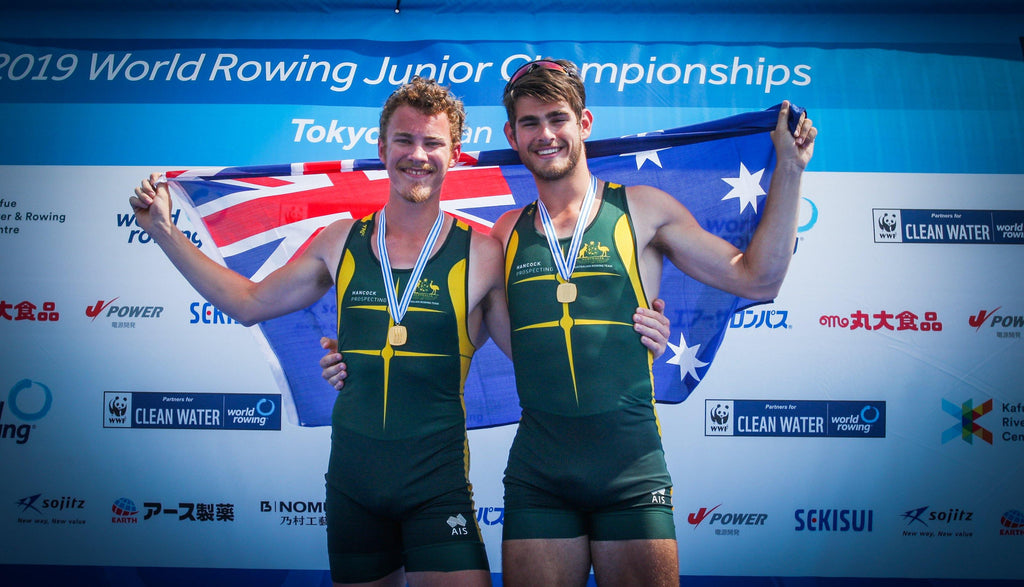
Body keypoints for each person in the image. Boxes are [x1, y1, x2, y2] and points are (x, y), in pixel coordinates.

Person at [133, 76, 670, 587]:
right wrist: (164, 231)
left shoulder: (484, 252)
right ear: (382, 147)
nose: (417, 154)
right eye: (404, 140)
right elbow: (248, 303)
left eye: (432, 143)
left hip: (437, 487)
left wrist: (640, 329)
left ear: (454, 154)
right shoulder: (339, 239)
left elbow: (541, 339)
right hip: (353, 486)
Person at [488, 58, 817, 586]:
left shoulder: (644, 209)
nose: (545, 134)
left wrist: (790, 169)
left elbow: (758, 280)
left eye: (557, 118)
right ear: (512, 133)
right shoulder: (503, 232)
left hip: (630, 471)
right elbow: (451, 317)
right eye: (530, 123)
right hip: (538, 475)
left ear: (584, 123)